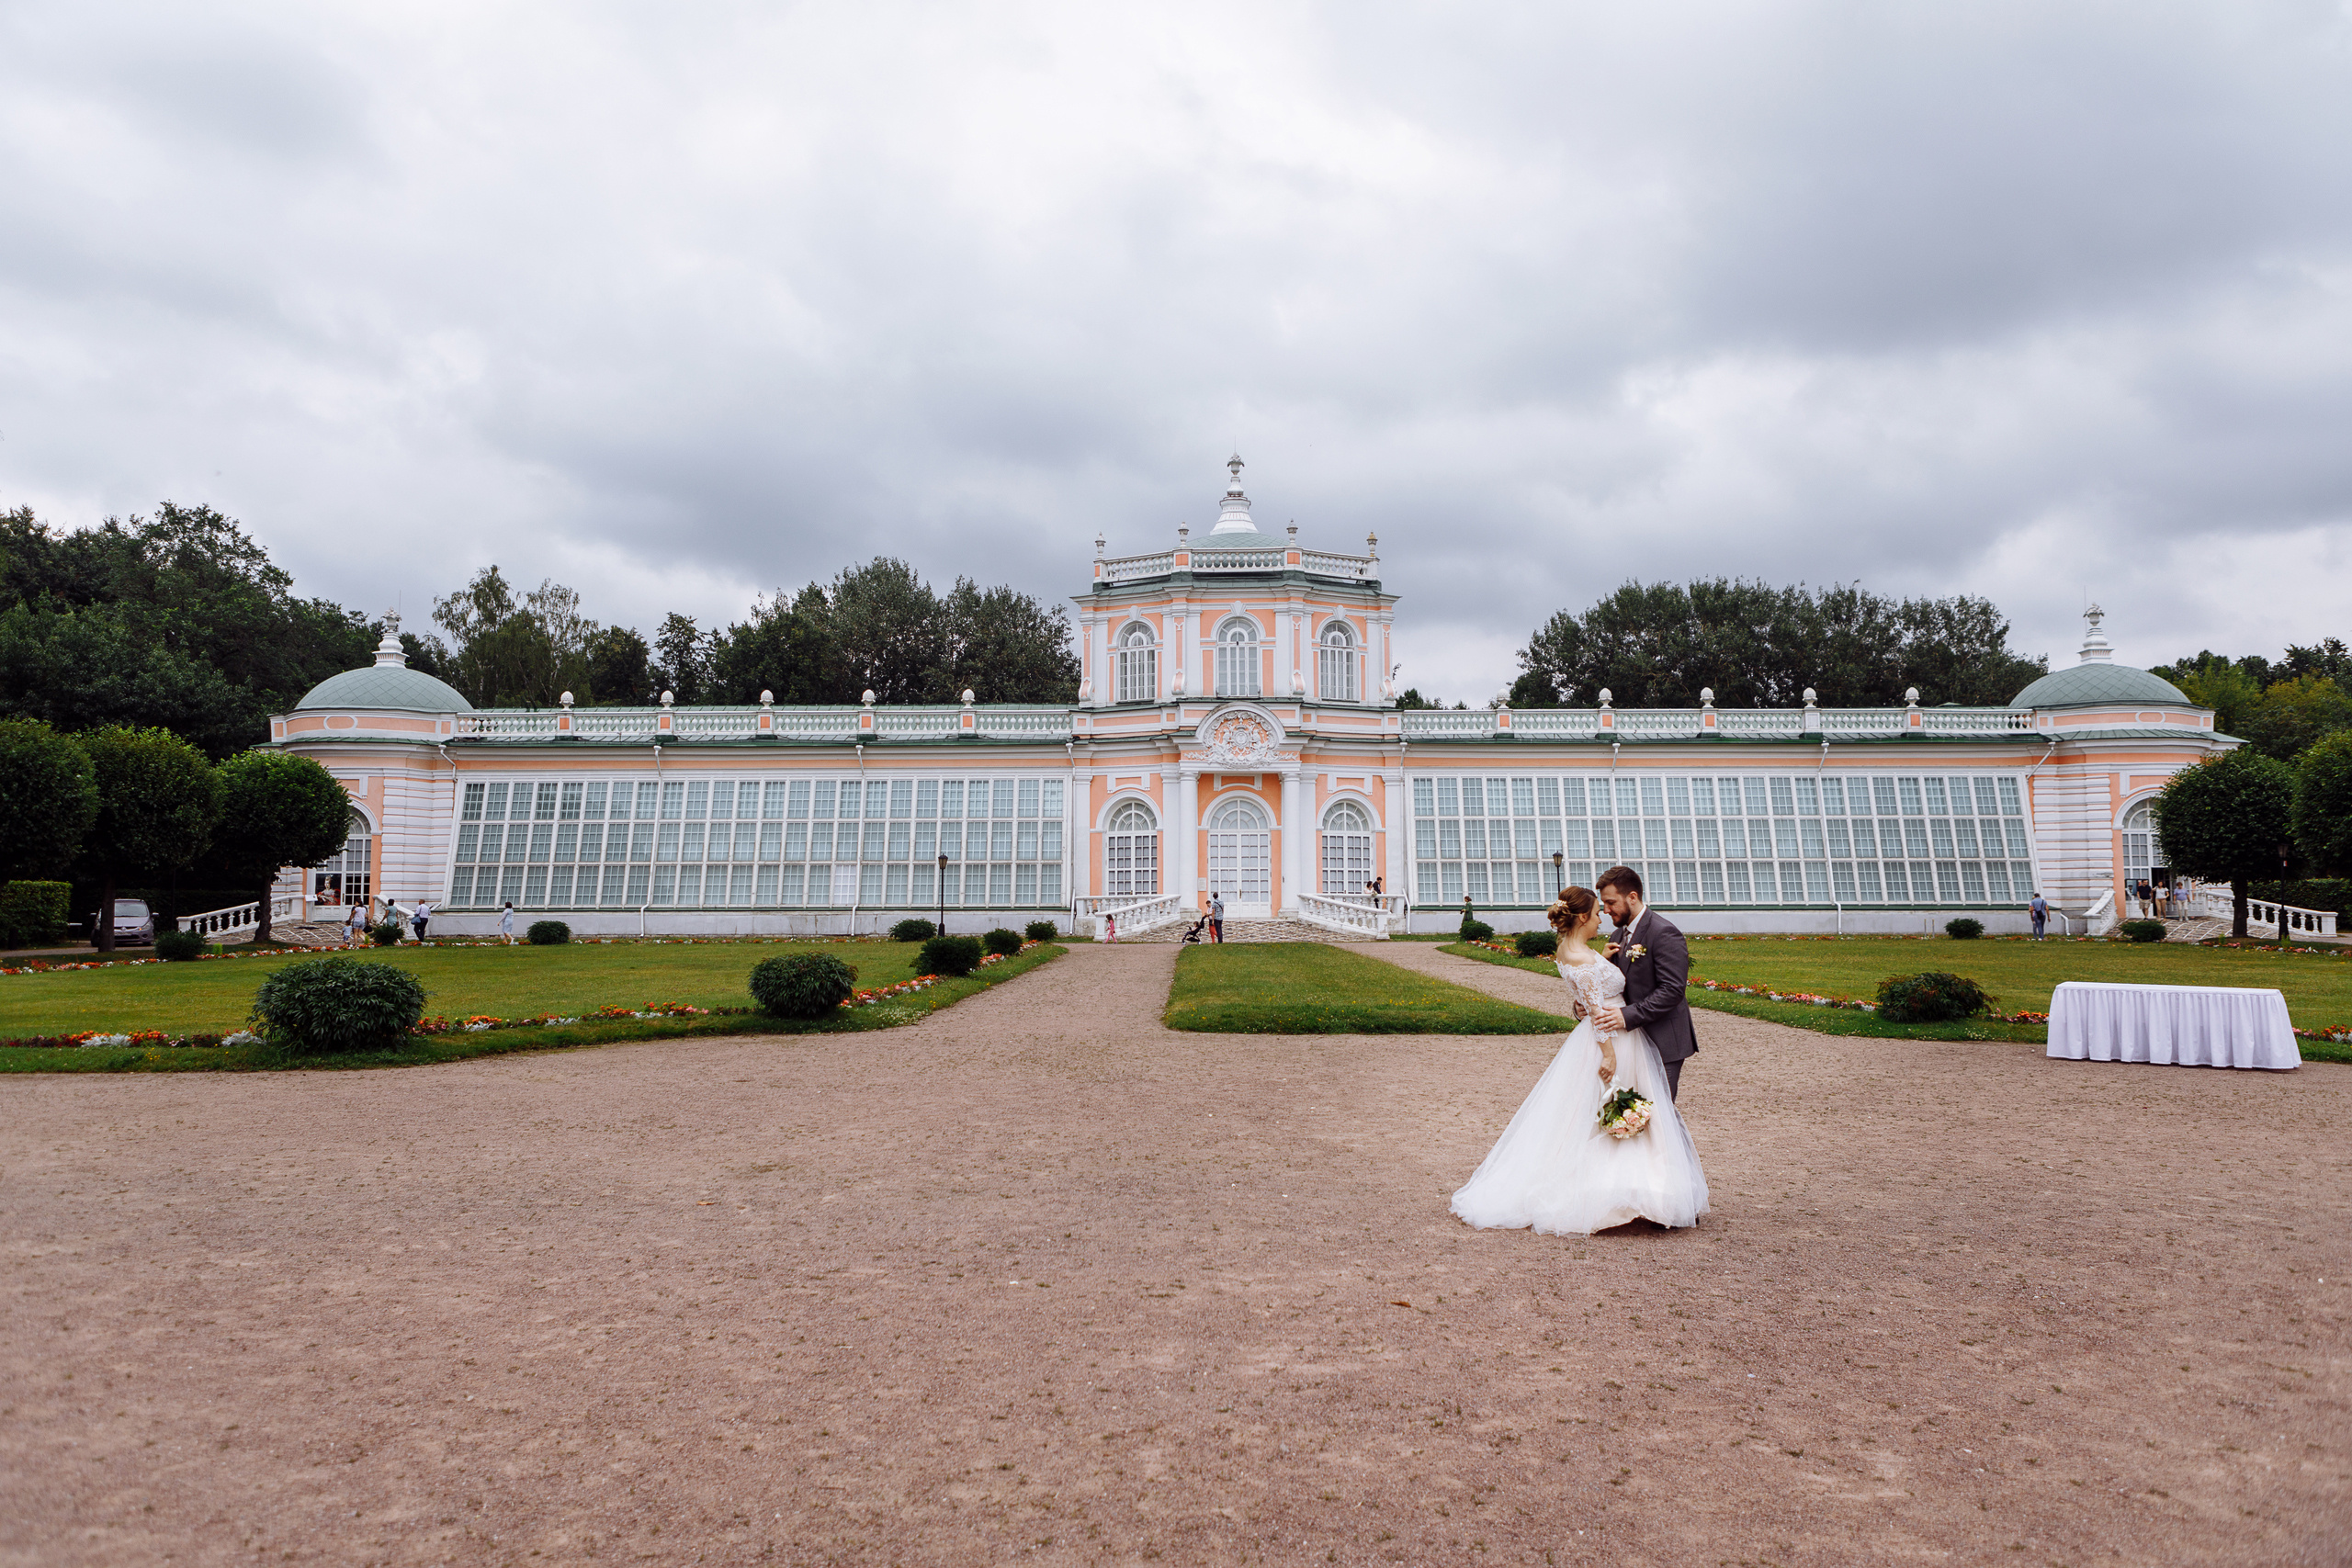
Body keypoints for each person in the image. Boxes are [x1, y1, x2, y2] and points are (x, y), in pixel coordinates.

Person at [1451, 886, 1709, 1235]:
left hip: (1622, 1032)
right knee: (1627, 1112)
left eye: (1609, 905)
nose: (1604, 915)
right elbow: (1593, 993)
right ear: (1584, 917)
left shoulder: (1578, 950)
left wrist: (1598, 971)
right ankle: (1635, 1194)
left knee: (1628, 1115)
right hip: (1614, 1039)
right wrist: (1606, 1049)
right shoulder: (1590, 955)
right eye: (1598, 911)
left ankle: (1659, 1193)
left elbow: (1645, 990)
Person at [1577, 865, 1697, 1100]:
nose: (1606, 910)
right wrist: (1583, 1005)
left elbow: (1672, 990)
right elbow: (1614, 984)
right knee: (1627, 1115)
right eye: (1604, 903)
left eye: (1611, 902)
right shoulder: (1617, 935)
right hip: (1628, 1044)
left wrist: (1625, 1015)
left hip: (1662, 1040)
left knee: (1658, 1115)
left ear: (1632, 897)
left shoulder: (1664, 933)